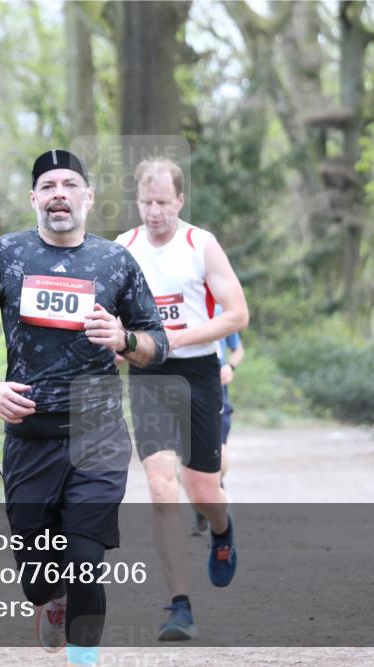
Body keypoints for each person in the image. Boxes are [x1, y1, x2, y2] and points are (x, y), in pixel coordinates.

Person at [0, 149, 168, 667]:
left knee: (86, 561)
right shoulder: (5, 255)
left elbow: (157, 343)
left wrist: (124, 338)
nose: (59, 194)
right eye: (47, 186)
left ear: (88, 197)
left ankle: (82, 659)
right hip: (29, 431)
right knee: (37, 578)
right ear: (33, 199)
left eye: (70, 184)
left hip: (98, 430)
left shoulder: (114, 261)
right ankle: (51, 598)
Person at [115, 157, 249, 641]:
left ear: (179, 200)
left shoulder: (201, 245)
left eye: (163, 203)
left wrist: (179, 336)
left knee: (204, 492)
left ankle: (220, 527)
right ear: (138, 201)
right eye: (146, 202)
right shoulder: (122, 249)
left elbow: (237, 315)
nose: (154, 212)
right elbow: (109, 319)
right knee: (159, 485)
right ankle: (180, 606)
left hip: (198, 372)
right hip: (148, 372)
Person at [192, 313, 244, 536]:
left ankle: (216, 499)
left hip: (217, 393)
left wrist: (230, 367)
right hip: (187, 389)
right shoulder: (184, 307)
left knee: (217, 459)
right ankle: (205, 515)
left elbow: (238, 350)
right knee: (190, 460)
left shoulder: (224, 312)